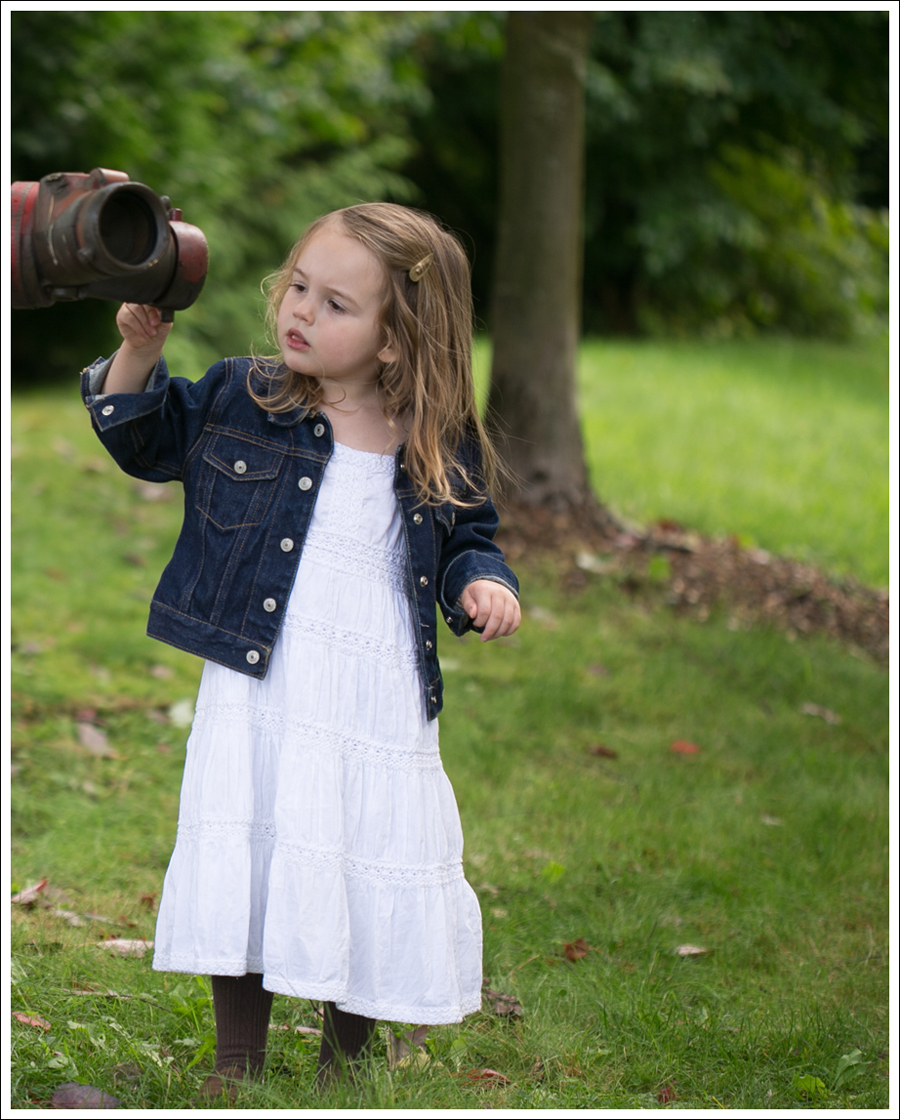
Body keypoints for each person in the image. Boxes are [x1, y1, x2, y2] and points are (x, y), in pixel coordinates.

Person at [80, 203, 520, 1097]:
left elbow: (471, 533)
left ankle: (343, 1069)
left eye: (336, 305)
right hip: (264, 678)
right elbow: (141, 432)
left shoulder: (434, 440)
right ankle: (237, 1066)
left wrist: (486, 583)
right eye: (298, 287)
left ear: (396, 342)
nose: (301, 312)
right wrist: (138, 351)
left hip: (373, 692)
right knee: (251, 846)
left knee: (354, 857)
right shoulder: (245, 395)